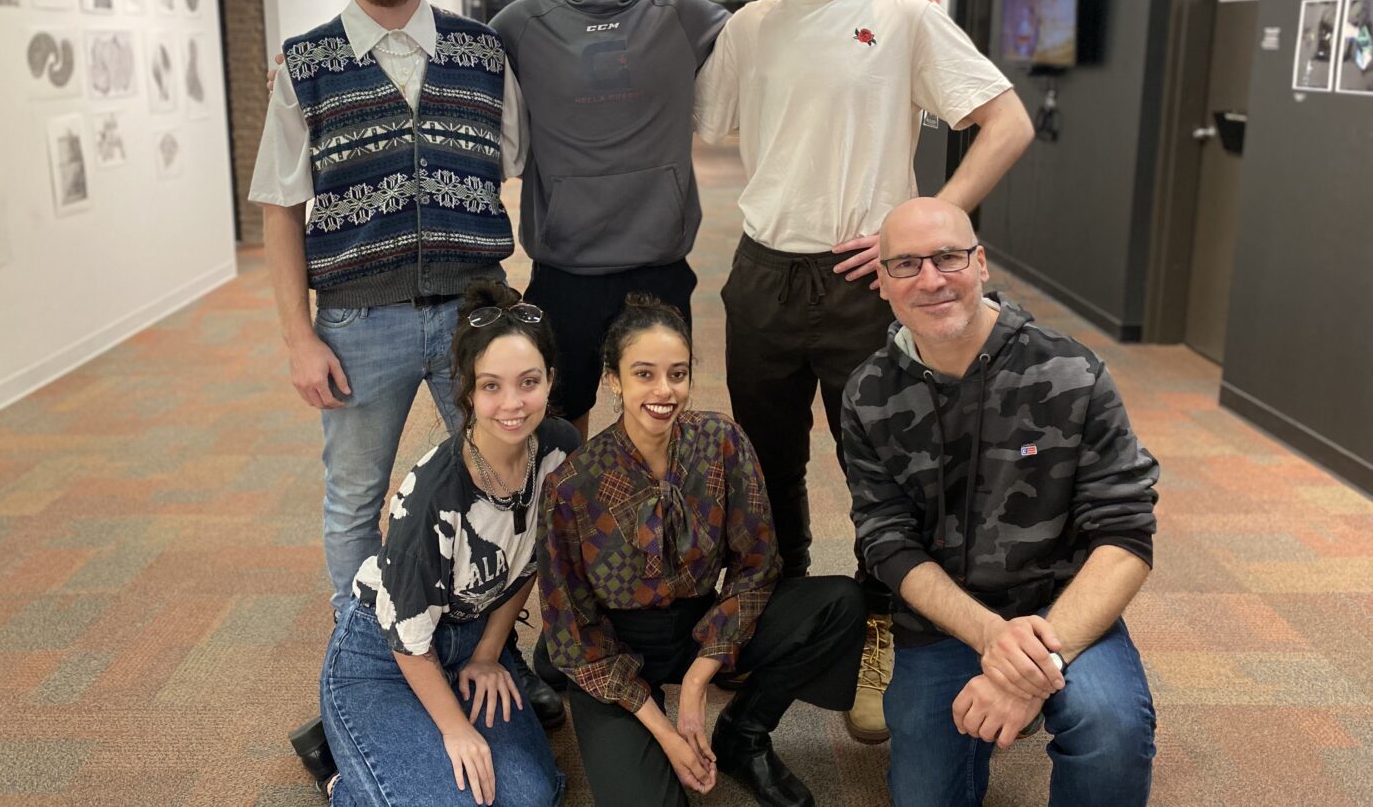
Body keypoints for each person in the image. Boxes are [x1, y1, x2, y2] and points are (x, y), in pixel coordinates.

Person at [692, 0, 1035, 741]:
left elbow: (1005, 123)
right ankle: (775, 618)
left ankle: (886, 640)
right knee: (765, 473)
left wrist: (924, 225)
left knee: (882, 472)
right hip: (764, 275)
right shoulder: (749, 28)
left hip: (865, 284)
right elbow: (698, 123)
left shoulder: (902, 18)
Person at [250, 0, 522, 613]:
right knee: (355, 498)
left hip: (478, 317)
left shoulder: (482, 55)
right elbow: (280, 208)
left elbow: (523, 167)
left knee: (502, 480)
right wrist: (298, 338)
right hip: (357, 325)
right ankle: (363, 654)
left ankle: (491, 644)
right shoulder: (304, 66)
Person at [842, 197, 1160, 807]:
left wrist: (1031, 666)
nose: (931, 279)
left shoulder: (1071, 372)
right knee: (923, 795)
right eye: (906, 264)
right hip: (941, 623)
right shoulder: (868, 394)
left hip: (1060, 609)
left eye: (948, 257)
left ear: (981, 263)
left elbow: (1125, 535)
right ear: (881, 283)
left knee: (1112, 727)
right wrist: (992, 639)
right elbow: (886, 541)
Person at [539, 295, 864, 807]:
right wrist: (667, 734)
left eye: (678, 373)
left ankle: (743, 735)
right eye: (644, 374)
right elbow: (574, 631)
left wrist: (696, 683)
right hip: (615, 646)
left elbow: (758, 566)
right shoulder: (571, 485)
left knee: (840, 604)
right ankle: (600, 704)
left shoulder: (722, 440)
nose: (664, 391)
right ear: (613, 380)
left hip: (700, 622)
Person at [489, 0, 727, 442]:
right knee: (560, 433)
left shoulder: (686, 14)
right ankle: (569, 537)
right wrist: (301, 68)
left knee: (656, 431)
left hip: (659, 269)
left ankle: (652, 538)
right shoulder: (518, 25)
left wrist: (878, 0)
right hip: (564, 269)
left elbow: (784, 33)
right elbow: (440, 69)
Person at [319, 280, 577, 806]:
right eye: (491, 386)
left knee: (532, 797)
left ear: (551, 381)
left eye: (528, 382)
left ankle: (385, 764)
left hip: (466, 640)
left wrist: (488, 654)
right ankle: (344, 772)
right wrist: (457, 729)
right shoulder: (434, 496)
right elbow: (409, 642)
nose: (512, 404)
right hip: (387, 654)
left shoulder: (557, 451)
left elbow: (524, 568)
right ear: (468, 391)